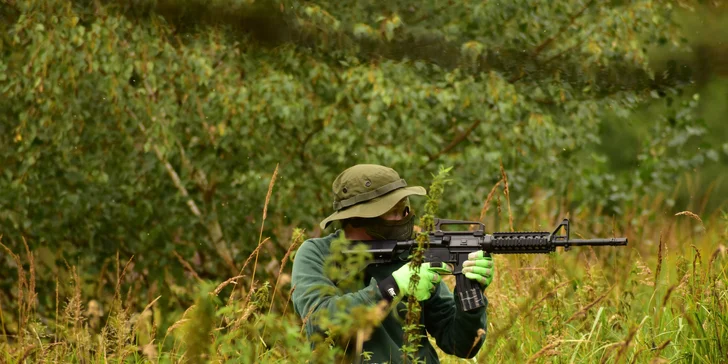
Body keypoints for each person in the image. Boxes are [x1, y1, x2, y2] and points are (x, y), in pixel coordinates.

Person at [291, 164, 494, 363]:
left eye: (404, 209)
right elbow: (320, 323)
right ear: (358, 218)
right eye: (393, 211)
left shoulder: (410, 254)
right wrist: (393, 287)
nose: (403, 217)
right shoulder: (317, 254)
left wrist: (471, 292)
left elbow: (461, 345)